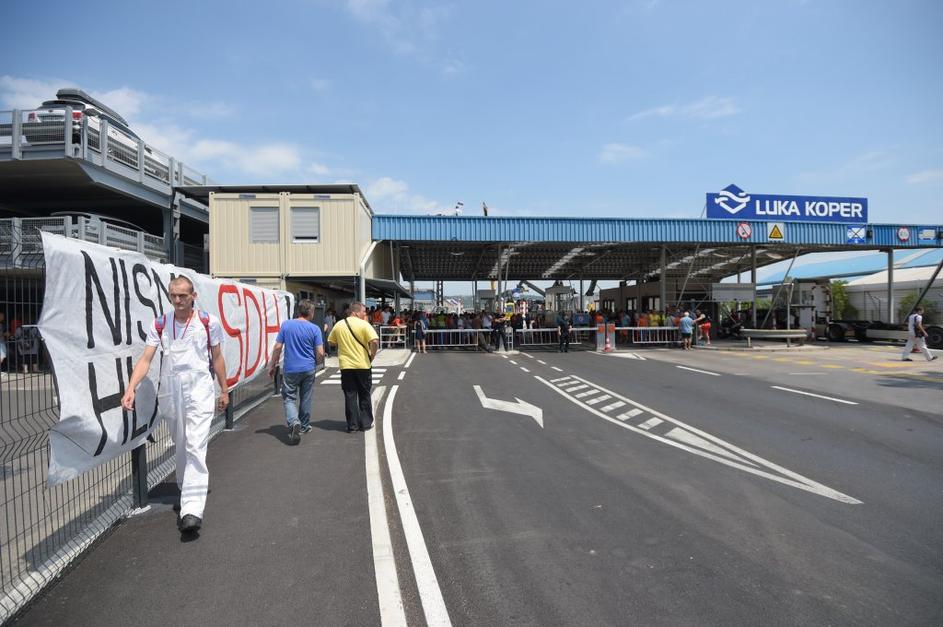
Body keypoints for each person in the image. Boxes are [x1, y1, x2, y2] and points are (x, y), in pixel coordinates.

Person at [121, 276, 229, 534]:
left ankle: (192, 509)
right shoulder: (160, 324)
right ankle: (185, 488)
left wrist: (224, 390)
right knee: (180, 442)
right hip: (170, 389)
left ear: (193, 296)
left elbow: (217, 357)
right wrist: (131, 387)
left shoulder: (208, 322)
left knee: (195, 444)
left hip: (199, 388)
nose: (178, 300)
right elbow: (146, 359)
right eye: (173, 295)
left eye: (182, 295)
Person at [268, 299, 324, 444]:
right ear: (311, 312)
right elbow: (320, 352)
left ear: (299, 311)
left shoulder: (287, 325)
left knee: (289, 398)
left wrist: (272, 365)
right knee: (306, 397)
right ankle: (304, 426)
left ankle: (293, 422)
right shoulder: (315, 329)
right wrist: (317, 362)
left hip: (291, 369)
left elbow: (278, 347)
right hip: (308, 368)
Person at [328, 302, 379, 433]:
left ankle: (352, 425)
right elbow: (374, 341)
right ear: (356, 312)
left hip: (346, 366)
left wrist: (343, 344)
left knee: (350, 395)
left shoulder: (339, 325)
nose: (365, 314)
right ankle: (365, 423)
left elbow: (331, 342)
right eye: (363, 311)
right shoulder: (364, 325)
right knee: (364, 394)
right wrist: (372, 355)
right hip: (363, 365)